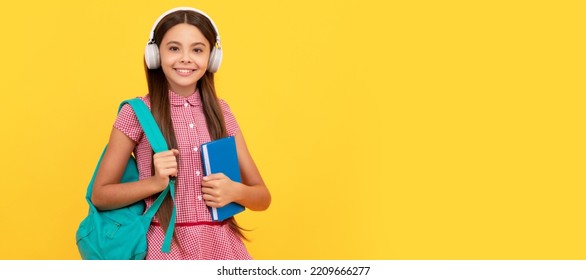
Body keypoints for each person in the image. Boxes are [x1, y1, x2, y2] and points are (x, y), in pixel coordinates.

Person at [90, 7, 271, 260]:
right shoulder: (137, 113)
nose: (186, 58)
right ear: (155, 54)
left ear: (212, 58)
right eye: (174, 48)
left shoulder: (222, 112)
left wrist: (234, 191)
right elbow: (100, 195)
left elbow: (262, 197)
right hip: (163, 249)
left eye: (197, 49)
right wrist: (155, 183)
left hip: (223, 248)